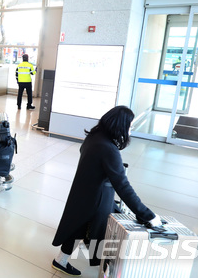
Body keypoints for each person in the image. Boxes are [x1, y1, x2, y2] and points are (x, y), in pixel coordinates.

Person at [51, 106, 162, 276]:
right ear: (120, 125)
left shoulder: (94, 136)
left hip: (84, 191)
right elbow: (123, 187)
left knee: (78, 226)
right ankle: (106, 270)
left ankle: (61, 260)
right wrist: (148, 215)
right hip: (98, 198)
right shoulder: (109, 149)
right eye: (130, 126)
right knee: (101, 233)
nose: (130, 130)